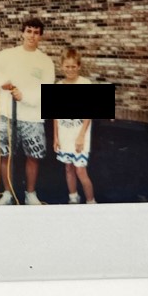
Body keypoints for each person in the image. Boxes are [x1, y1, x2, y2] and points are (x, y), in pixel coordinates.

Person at [0, 17, 55, 205]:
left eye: (36, 32)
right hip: (8, 115)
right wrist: (1, 81)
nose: (32, 35)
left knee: (33, 156)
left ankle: (30, 194)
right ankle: (7, 193)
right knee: (5, 154)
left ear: (41, 37)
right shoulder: (8, 54)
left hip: (33, 117)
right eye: (28, 31)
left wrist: (25, 97)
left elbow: (47, 91)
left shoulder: (46, 61)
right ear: (22, 33)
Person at [53, 47, 97, 204]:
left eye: (73, 66)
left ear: (79, 66)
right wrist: (56, 138)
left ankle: (91, 201)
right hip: (64, 135)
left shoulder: (85, 83)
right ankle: (73, 197)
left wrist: (81, 136)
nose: (70, 70)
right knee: (68, 168)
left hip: (79, 137)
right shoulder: (58, 86)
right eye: (67, 66)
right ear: (62, 66)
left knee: (80, 170)